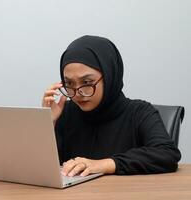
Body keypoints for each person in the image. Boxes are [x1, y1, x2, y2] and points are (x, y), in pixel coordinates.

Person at [42, 35, 181, 177]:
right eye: (69, 84)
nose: (78, 93)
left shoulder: (139, 112)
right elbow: (42, 169)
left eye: (87, 82)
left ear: (109, 76)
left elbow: (167, 154)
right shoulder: (65, 112)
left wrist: (103, 164)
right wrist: (48, 123)